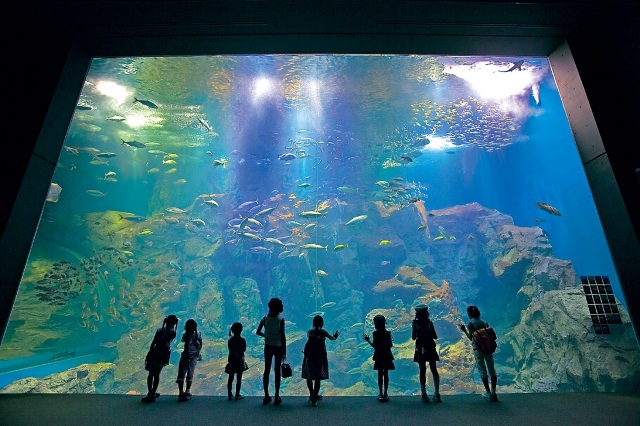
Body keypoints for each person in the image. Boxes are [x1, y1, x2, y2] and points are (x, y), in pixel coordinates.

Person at [459, 305, 498, 402]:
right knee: (492, 369)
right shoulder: (484, 322)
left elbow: (471, 338)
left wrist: (464, 330)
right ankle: (494, 392)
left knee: (482, 370)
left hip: (478, 350)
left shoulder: (471, 324)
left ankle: (488, 392)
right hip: (488, 349)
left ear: (470, 314)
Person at [301, 315, 339, 406]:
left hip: (309, 357)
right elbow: (332, 338)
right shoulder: (323, 332)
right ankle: (314, 399)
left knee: (309, 376)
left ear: (313, 323)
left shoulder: (310, 332)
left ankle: (311, 395)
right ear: (322, 324)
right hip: (319, 358)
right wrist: (335, 336)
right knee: (317, 378)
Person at [256, 297, 287, 405]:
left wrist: (267, 336)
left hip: (268, 347)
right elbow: (283, 336)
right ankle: (277, 396)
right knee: (277, 370)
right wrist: (284, 350)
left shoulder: (265, 318)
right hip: (278, 347)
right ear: (278, 307)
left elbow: (258, 332)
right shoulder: (280, 319)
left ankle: (266, 396)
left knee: (267, 370)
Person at [142, 314, 179, 403]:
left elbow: (153, 343)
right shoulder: (173, 333)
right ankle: (153, 392)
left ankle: (150, 392)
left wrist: (149, 353)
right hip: (164, 354)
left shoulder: (159, 331)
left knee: (151, 374)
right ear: (174, 323)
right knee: (157, 374)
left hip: (155, 352)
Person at [412, 304, 441, 403]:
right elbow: (435, 336)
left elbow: (413, 336)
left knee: (422, 370)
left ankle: (424, 394)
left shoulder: (415, 323)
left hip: (420, 348)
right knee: (434, 369)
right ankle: (437, 393)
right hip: (430, 346)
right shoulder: (430, 322)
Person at [363, 314, 395, 402]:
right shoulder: (388, 333)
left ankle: (380, 392)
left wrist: (367, 340)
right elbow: (390, 345)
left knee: (380, 374)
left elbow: (374, 345)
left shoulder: (375, 333)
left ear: (375, 324)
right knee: (386, 374)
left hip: (379, 355)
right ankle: (385, 393)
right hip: (387, 355)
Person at [176, 318, 203, 402]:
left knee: (182, 373)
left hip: (186, 356)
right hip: (193, 356)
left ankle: (181, 392)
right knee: (190, 373)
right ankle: (187, 391)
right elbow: (199, 347)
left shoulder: (186, 335)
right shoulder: (197, 334)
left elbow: (185, 343)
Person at [226, 322, 248, 401]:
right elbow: (244, 349)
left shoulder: (230, 340)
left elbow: (230, 349)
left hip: (232, 360)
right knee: (239, 377)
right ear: (241, 330)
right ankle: (237, 394)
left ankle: (229, 394)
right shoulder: (242, 340)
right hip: (240, 360)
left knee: (230, 377)